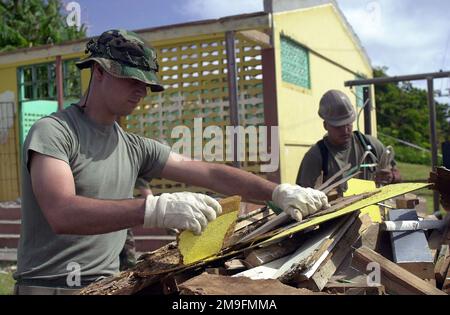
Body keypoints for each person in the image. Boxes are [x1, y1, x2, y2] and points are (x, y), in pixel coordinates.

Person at [14, 29, 329, 295]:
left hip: (104, 285)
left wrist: (277, 193)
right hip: (49, 285)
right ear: (98, 71)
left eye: (147, 85)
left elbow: (209, 173)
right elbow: (62, 212)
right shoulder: (54, 132)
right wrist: (154, 210)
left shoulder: (134, 147)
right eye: (132, 80)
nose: (142, 91)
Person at [296, 89, 401, 195]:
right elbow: (302, 198)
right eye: (338, 126)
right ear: (325, 125)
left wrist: (391, 177)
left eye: (348, 124)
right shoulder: (316, 156)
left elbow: (397, 177)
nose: (345, 130)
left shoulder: (370, 144)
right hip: (337, 211)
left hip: (373, 210)